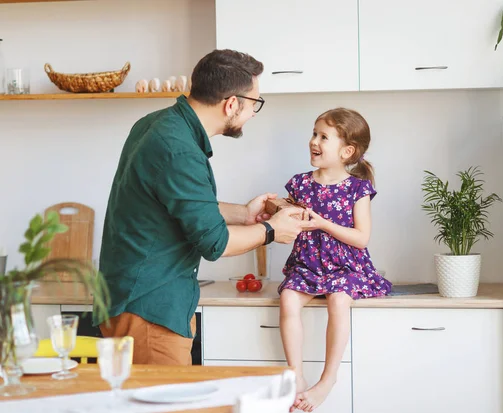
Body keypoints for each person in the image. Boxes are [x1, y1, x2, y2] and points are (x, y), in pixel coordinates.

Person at [93, 49, 312, 365]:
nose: (252, 113)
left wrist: (244, 213)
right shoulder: (180, 151)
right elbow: (215, 243)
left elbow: (180, 205)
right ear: (232, 104)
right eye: (255, 104)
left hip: (139, 303)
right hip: (149, 310)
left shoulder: (157, 125)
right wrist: (270, 231)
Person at [278, 108, 392, 412]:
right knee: (288, 298)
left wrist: (323, 223)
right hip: (308, 265)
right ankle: (296, 376)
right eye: (314, 133)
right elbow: (290, 217)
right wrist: (277, 207)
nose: (314, 141)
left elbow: (361, 238)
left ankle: (328, 379)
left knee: (339, 299)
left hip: (346, 267)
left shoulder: (357, 188)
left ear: (347, 151)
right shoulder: (300, 183)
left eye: (323, 136)